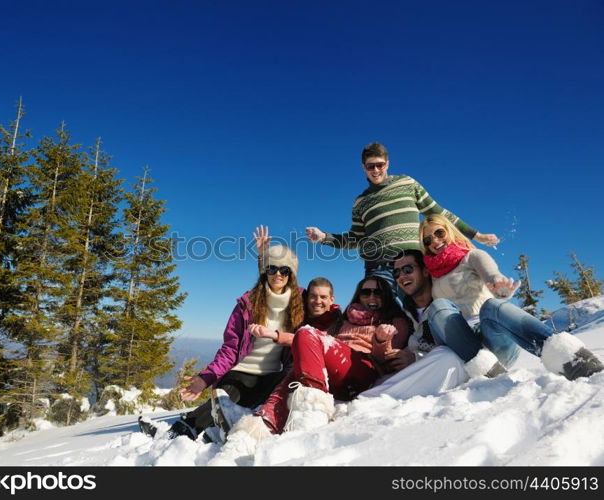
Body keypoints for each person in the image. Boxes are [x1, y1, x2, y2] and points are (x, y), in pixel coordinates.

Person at [215, 275, 410, 460]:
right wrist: (274, 334)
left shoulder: (395, 321)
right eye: (366, 292)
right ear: (359, 295)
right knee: (298, 362)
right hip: (334, 372)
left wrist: (381, 339)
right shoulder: (345, 319)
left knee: (305, 337)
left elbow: (386, 358)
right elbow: (311, 340)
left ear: (387, 296)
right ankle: (255, 430)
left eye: (378, 292)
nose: (372, 297)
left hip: (362, 371)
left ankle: (310, 417)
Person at [139, 239, 305, 441]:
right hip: (241, 372)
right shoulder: (248, 305)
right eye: (272, 268)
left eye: (284, 270)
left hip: (272, 375)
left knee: (278, 390)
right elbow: (231, 348)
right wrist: (206, 377)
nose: (278, 274)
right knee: (229, 395)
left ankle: (217, 429)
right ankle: (181, 430)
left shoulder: (300, 304)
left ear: (291, 274)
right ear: (265, 272)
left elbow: (321, 309)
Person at [419, 213, 603, 380]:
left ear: (450, 231)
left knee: (493, 305)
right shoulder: (431, 274)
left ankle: (575, 360)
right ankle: (487, 370)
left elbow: (491, 273)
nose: (435, 241)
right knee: (438, 306)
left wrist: (499, 286)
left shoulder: (473, 256)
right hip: (459, 342)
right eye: (428, 240)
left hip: (492, 337)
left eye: (439, 233)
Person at [305, 142, 499, 291]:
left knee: (427, 311)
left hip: (413, 262)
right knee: (389, 319)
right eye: (370, 166)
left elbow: (438, 212)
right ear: (363, 167)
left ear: (387, 163)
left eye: (380, 165)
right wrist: (324, 237)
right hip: (379, 267)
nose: (376, 170)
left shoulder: (407, 183)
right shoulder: (360, 202)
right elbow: (354, 238)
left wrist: (477, 235)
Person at [360, 249, 468, 398]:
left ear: (425, 271)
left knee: (447, 356)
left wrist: (416, 358)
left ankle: (372, 400)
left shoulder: (449, 302)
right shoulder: (404, 314)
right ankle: (372, 398)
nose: (402, 276)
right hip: (421, 373)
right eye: (396, 273)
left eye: (408, 269)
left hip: (451, 366)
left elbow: (463, 344)